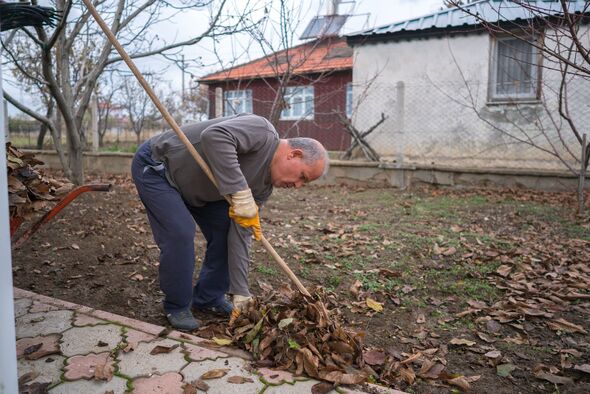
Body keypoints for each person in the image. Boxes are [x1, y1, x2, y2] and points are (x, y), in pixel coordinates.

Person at [131, 113, 329, 330]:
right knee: (180, 233)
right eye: (303, 176)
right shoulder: (261, 131)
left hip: (200, 190)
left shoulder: (262, 188)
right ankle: (176, 306)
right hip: (159, 167)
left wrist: (241, 291)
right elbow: (214, 136)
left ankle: (208, 298)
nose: (299, 185)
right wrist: (240, 192)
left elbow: (241, 234)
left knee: (228, 233)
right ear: (294, 154)